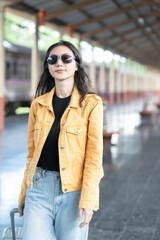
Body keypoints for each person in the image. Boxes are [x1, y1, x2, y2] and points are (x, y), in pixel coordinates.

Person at [18, 40, 104, 240]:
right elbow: (31, 155)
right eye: (53, 59)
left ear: (76, 66)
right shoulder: (37, 105)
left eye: (66, 59)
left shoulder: (91, 104)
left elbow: (94, 157)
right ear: (48, 67)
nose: (59, 63)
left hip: (73, 191)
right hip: (38, 188)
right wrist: (23, 194)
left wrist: (88, 199)